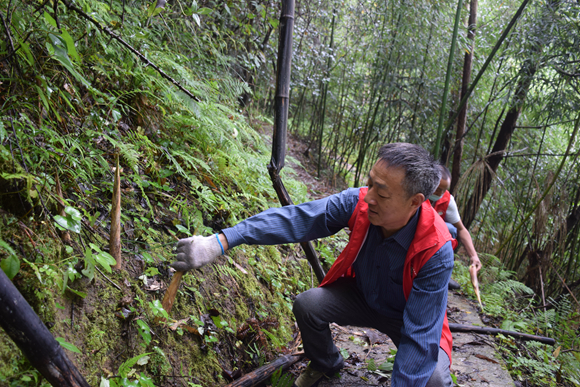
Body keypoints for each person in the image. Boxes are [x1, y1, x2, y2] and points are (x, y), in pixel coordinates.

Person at [172, 143, 456, 387]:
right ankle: (327, 363)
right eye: (370, 183)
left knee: (431, 380)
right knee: (309, 305)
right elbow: (297, 219)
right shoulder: (359, 203)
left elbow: (420, 337)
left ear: (414, 202)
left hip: (407, 317)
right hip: (361, 297)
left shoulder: (436, 248)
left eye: (381, 194)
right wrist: (221, 241)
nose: (368, 196)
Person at [429, 166, 482, 290]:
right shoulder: (415, 191)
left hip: (433, 239)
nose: (440, 194)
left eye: (444, 190)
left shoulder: (447, 200)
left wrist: (473, 256)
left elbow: (461, 229)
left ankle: (442, 275)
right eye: (437, 189)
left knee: (451, 229)